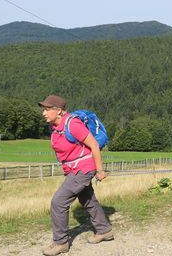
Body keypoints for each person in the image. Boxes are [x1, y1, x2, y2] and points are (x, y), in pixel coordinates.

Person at [39, 95, 114, 256]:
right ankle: (104, 230)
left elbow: (93, 145)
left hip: (84, 169)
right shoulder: (56, 127)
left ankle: (61, 243)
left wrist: (100, 170)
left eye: (47, 109)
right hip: (74, 170)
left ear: (58, 111)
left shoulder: (72, 124)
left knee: (58, 202)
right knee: (87, 199)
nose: (43, 112)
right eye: (43, 109)